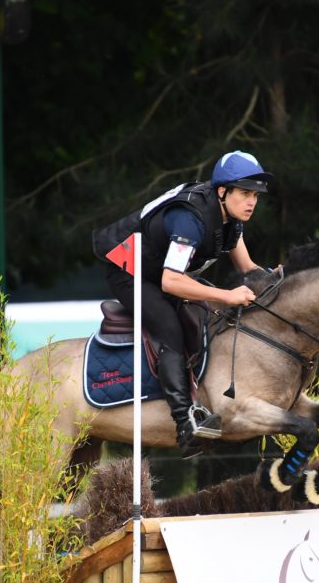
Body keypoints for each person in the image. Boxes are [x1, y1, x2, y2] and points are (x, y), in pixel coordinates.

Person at [91, 150, 273, 457]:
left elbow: (248, 269)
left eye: (255, 194)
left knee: (208, 315)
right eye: (245, 193)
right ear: (222, 192)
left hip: (164, 272)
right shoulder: (190, 220)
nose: (252, 201)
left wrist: (275, 279)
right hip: (131, 271)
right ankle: (185, 425)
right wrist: (228, 295)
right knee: (170, 329)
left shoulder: (232, 218)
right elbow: (170, 282)